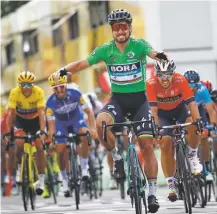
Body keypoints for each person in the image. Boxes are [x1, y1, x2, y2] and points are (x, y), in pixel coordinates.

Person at [53, 8, 173, 212]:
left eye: (124, 27)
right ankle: (116, 157)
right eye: (116, 27)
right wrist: (63, 70)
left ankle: (152, 193)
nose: (120, 31)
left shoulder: (139, 45)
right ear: (112, 30)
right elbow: (83, 63)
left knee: (146, 146)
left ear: (130, 28)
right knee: (101, 123)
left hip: (139, 102)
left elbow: (153, 53)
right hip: (117, 100)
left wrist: (161, 56)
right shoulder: (105, 49)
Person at [146, 60, 204, 202]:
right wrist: (155, 129)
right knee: (165, 143)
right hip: (162, 114)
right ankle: (171, 184)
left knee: (193, 125)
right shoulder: (150, 84)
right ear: (156, 74)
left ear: (173, 73)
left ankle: (192, 156)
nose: (164, 78)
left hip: (180, 110)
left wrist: (198, 121)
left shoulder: (181, 80)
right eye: (161, 75)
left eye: (168, 75)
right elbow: (153, 110)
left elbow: (191, 103)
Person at [46, 72, 97, 197]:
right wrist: (52, 139)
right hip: (61, 125)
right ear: (52, 89)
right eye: (55, 88)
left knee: (84, 134)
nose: (59, 90)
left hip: (76, 122)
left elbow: (89, 112)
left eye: (61, 86)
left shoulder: (76, 94)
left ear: (66, 85)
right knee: (60, 148)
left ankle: (84, 168)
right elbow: (51, 125)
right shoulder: (50, 103)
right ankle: (63, 179)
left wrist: (92, 128)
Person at [5, 71, 47, 195]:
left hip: (35, 121)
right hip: (21, 121)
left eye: (29, 85)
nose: (26, 88)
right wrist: (8, 133)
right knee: (19, 142)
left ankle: (42, 181)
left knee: (39, 146)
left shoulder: (38, 91)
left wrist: (43, 130)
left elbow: (42, 114)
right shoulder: (14, 93)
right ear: (19, 85)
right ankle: (19, 168)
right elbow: (10, 114)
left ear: (33, 84)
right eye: (23, 85)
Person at [184, 70, 217, 180]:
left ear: (197, 84)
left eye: (194, 85)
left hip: (198, 110)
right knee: (183, 134)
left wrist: (213, 126)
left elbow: (211, 111)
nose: (191, 88)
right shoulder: (181, 90)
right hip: (183, 111)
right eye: (189, 85)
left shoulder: (202, 90)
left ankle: (206, 167)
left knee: (203, 135)